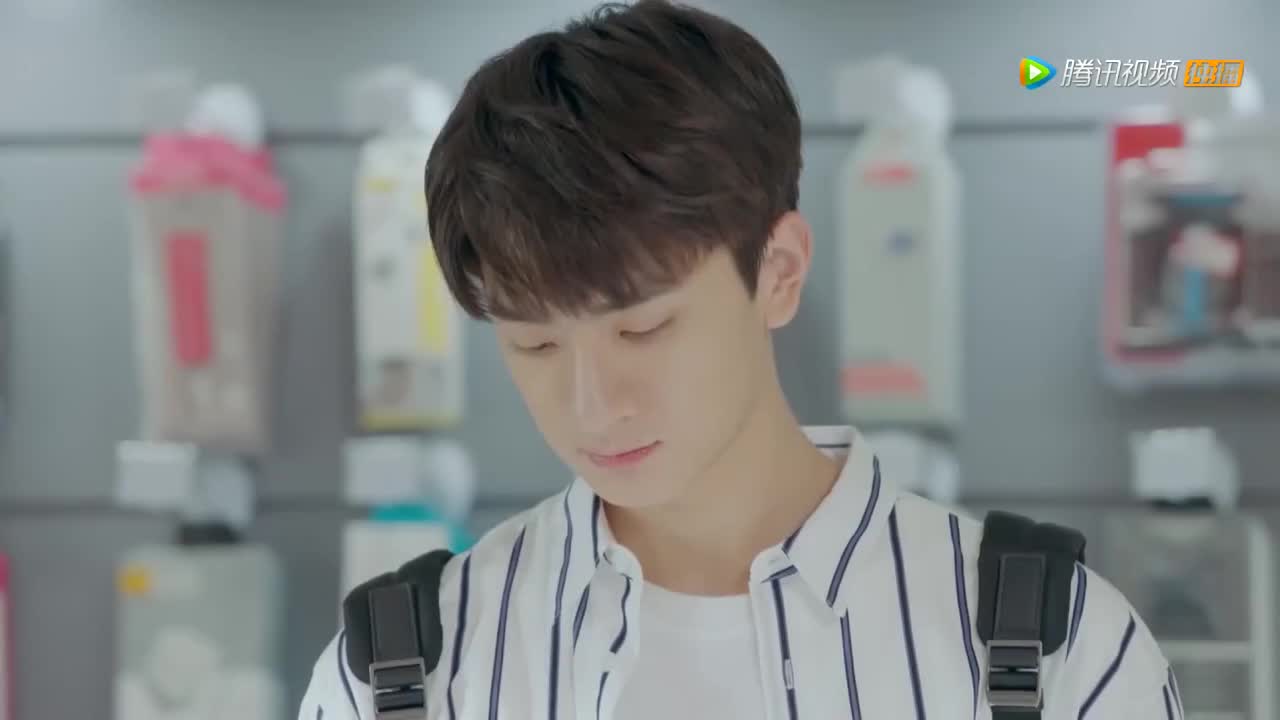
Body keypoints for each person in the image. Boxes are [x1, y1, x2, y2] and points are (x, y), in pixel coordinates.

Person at [300, 2, 1184, 718]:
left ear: (780, 272)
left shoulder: (1063, 654)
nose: (592, 405)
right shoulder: (397, 677)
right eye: (534, 343)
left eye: (643, 329)